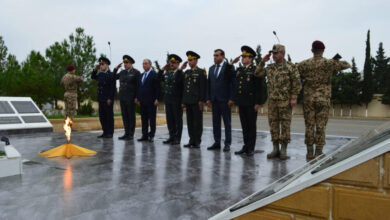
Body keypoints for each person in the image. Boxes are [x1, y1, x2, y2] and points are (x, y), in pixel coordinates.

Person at [297, 40, 351, 159]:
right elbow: (347, 64)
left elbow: (295, 73)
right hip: (323, 99)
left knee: (309, 125)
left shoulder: (304, 64)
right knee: (321, 126)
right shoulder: (329, 63)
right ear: (323, 50)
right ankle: (319, 151)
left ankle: (309, 152)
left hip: (309, 99)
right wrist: (334, 61)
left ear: (312, 50)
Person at [254, 44, 302, 160]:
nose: (274, 55)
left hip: (285, 101)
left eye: (276, 53)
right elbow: (257, 74)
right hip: (273, 102)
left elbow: (297, 83)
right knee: (273, 125)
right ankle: (275, 148)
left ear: (283, 54)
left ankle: (283, 148)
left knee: (285, 125)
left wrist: (294, 97)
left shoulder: (290, 67)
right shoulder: (270, 67)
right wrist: (262, 61)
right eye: (273, 53)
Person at [231, 46, 267, 156]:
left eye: (245, 56)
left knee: (251, 126)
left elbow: (259, 87)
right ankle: (245, 146)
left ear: (250, 58)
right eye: (242, 56)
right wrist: (231, 63)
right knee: (244, 126)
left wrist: (258, 102)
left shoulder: (255, 70)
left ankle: (251, 148)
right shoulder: (240, 70)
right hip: (242, 102)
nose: (242, 58)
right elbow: (228, 75)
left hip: (251, 103)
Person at [207, 49, 235, 152]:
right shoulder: (211, 69)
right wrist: (208, 98)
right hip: (214, 100)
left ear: (222, 56)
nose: (214, 57)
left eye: (217, 55)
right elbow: (209, 84)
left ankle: (227, 143)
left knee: (227, 123)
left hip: (225, 100)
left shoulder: (228, 67)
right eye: (214, 55)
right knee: (215, 122)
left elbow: (233, 83)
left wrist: (232, 98)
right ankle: (217, 142)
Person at [180, 51, 207, 148]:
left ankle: (197, 141)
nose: (189, 62)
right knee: (190, 122)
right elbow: (183, 88)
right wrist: (183, 101)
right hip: (188, 101)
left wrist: (201, 101)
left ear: (196, 60)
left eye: (191, 60)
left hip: (196, 102)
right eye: (188, 60)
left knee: (197, 123)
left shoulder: (201, 72)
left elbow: (202, 88)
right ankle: (191, 140)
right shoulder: (187, 72)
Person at [113, 55, 141, 140]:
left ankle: (131, 134)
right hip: (122, 97)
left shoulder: (136, 72)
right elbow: (113, 77)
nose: (125, 64)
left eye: (127, 62)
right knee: (124, 116)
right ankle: (126, 133)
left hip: (131, 98)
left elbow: (138, 86)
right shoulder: (122, 72)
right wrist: (116, 69)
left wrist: (137, 97)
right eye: (124, 62)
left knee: (131, 116)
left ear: (131, 63)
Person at [159, 54, 184, 145]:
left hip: (177, 101)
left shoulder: (181, 74)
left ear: (178, 64)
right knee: (169, 120)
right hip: (168, 100)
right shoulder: (167, 73)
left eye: (174, 63)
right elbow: (157, 79)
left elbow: (183, 88)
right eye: (171, 63)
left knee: (177, 120)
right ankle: (171, 137)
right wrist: (162, 70)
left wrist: (182, 102)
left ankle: (177, 138)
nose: (172, 64)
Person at [135, 59, 160, 142]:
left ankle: (151, 135)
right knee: (144, 119)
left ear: (150, 65)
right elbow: (139, 88)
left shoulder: (154, 74)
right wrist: (138, 98)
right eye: (143, 64)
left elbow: (157, 88)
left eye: (146, 63)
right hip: (142, 101)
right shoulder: (141, 75)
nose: (144, 65)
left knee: (152, 119)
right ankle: (144, 135)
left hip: (151, 101)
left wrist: (157, 98)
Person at [91, 57, 116, 138]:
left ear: (107, 65)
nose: (101, 66)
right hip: (101, 99)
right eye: (100, 64)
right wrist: (95, 69)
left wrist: (110, 98)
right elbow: (93, 77)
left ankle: (110, 133)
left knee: (109, 116)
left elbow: (112, 88)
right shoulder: (100, 74)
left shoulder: (111, 74)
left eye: (102, 64)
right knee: (102, 117)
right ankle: (105, 132)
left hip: (107, 99)